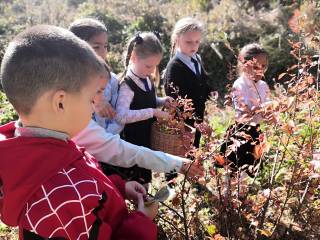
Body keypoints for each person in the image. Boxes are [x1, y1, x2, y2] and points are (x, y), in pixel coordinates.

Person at [0, 25, 158, 240]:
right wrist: (141, 221)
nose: (94, 105)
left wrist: (119, 187)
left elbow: (83, 173)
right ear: (61, 103)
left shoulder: (46, 149)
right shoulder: (64, 199)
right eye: (90, 98)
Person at [68, 18, 204, 184]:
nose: (103, 52)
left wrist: (160, 102)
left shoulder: (111, 79)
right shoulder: (67, 88)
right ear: (74, 47)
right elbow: (121, 116)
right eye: (96, 46)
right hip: (91, 155)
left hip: (113, 147)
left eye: (105, 46)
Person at [105, 31, 172, 186]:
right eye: (149, 65)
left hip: (146, 138)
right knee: (138, 181)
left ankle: (143, 204)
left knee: (146, 179)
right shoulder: (128, 86)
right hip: (133, 143)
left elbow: (145, 101)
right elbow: (121, 116)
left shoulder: (145, 78)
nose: (151, 70)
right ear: (134, 57)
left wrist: (161, 102)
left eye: (155, 66)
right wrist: (153, 112)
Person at [219, 43, 271, 176]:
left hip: (256, 131)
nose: (260, 70)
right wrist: (261, 109)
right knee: (235, 170)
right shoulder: (239, 84)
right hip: (241, 131)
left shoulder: (263, 86)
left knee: (252, 171)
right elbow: (243, 109)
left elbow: (268, 109)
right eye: (255, 67)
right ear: (244, 65)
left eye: (263, 66)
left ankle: (245, 194)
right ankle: (231, 194)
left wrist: (271, 113)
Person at [164, 17, 212, 148]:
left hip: (198, 117)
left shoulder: (197, 59)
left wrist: (211, 92)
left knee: (193, 152)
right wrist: (193, 121)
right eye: (189, 42)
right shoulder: (174, 67)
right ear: (177, 39)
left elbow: (201, 83)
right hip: (183, 123)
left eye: (197, 42)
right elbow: (176, 99)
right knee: (181, 155)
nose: (194, 46)